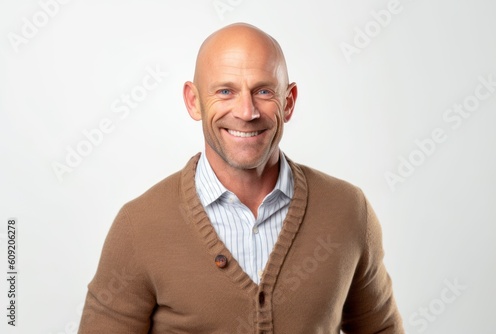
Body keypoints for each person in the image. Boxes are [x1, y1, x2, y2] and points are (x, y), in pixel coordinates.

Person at [78, 23, 404, 333]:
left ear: (288, 103)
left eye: (263, 91)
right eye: (225, 91)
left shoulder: (348, 210)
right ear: (194, 102)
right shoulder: (139, 226)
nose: (246, 112)